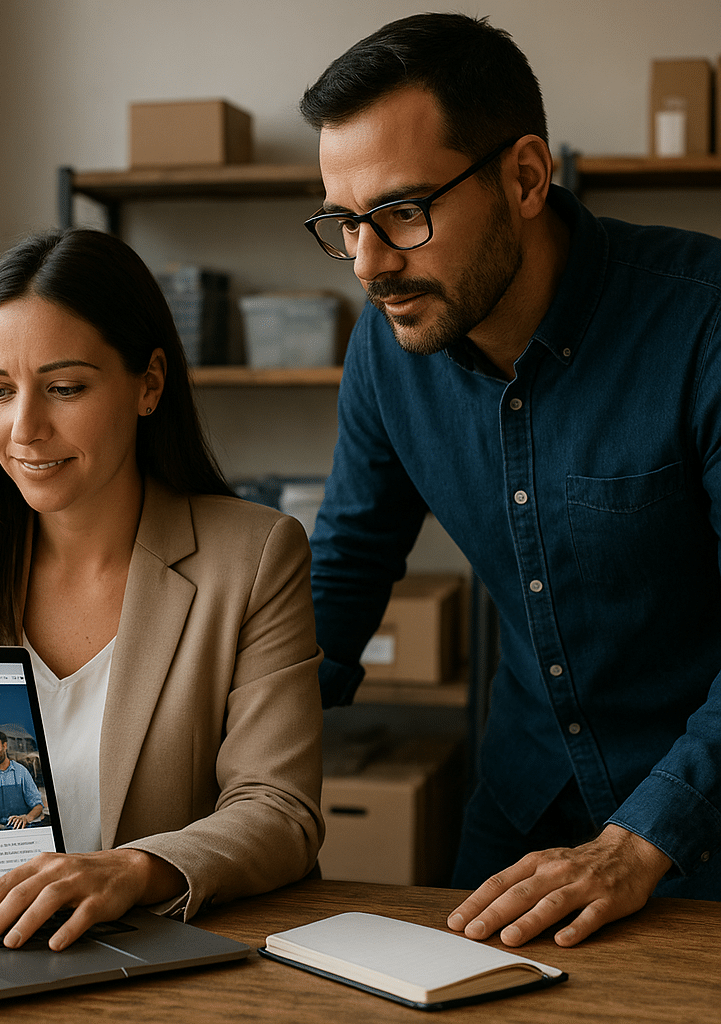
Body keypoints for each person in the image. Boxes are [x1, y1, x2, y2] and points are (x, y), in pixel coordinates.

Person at [299, 12, 720, 949]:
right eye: (342, 223)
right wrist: (219, 769)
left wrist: (642, 838)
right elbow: (350, 562)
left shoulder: (706, 327)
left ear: (525, 177)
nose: (367, 264)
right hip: (525, 806)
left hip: (701, 817)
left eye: (404, 212)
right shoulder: (388, 340)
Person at [0, 227, 324, 951]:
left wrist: (133, 869)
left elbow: (279, 809)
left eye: (64, 388)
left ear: (148, 383)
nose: (25, 429)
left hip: (152, 955)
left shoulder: (253, 556)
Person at [0, 730, 45, 830]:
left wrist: (26, 818)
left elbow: (38, 806)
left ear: (5, 746)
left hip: (21, 829)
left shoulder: (21, 771)